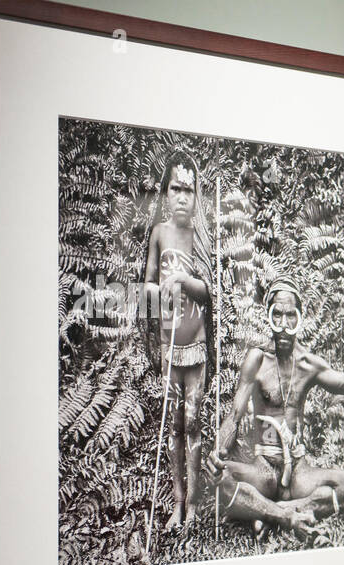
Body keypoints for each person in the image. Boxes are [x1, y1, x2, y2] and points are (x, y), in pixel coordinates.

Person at [206, 277, 344, 537]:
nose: (284, 325)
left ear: (300, 318)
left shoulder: (308, 364)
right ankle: (289, 516)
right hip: (264, 469)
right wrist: (217, 453)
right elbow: (234, 416)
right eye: (277, 315)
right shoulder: (257, 359)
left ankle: (273, 512)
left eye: (291, 316)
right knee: (219, 479)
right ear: (268, 317)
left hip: (298, 470)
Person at [142, 149, 215, 532]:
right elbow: (148, 284)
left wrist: (186, 282)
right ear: (166, 193)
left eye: (189, 189)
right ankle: (176, 501)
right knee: (173, 425)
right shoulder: (159, 234)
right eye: (176, 188)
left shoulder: (200, 237)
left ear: (196, 193)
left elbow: (210, 293)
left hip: (197, 348)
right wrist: (159, 292)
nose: (183, 196)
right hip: (170, 346)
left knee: (194, 422)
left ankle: (194, 504)